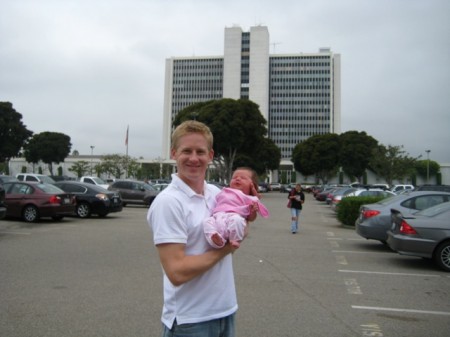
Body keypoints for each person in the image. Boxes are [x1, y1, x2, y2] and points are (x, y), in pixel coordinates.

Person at [147, 120, 256, 337]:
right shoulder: (168, 202)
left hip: (225, 310)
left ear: (211, 155)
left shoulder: (217, 193)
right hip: (190, 321)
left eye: (200, 151)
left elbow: (239, 226)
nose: (194, 158)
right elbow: (176, 271)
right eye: (186, 151)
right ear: (174, 153)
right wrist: (226, 249)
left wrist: (247, 216)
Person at [204, 167, 269, 249]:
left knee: (237, 220)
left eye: (243, 178)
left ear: (252, 184)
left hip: (233, 218)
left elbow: (251, 218)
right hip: (217, 217)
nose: (238, 179)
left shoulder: (248, 198)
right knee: (207, 221)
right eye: (234, 177)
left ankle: (234, 239)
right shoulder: (223, 191)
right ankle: (215, 238)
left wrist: (253, 210)